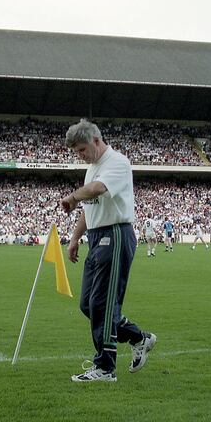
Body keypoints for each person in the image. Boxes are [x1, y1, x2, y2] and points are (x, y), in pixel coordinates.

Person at [60, 119, 156, 383]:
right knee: (88, 304)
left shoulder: (117, 163)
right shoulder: (92, 169)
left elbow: (97, 190)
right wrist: (75, 238)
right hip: (97, 235)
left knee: (102, 303)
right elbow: (89, 206)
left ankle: (105, 368)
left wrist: (73, 196)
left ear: (96, 140)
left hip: (115, 234)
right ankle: (139, 337)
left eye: (81, 150)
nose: (80, 156)